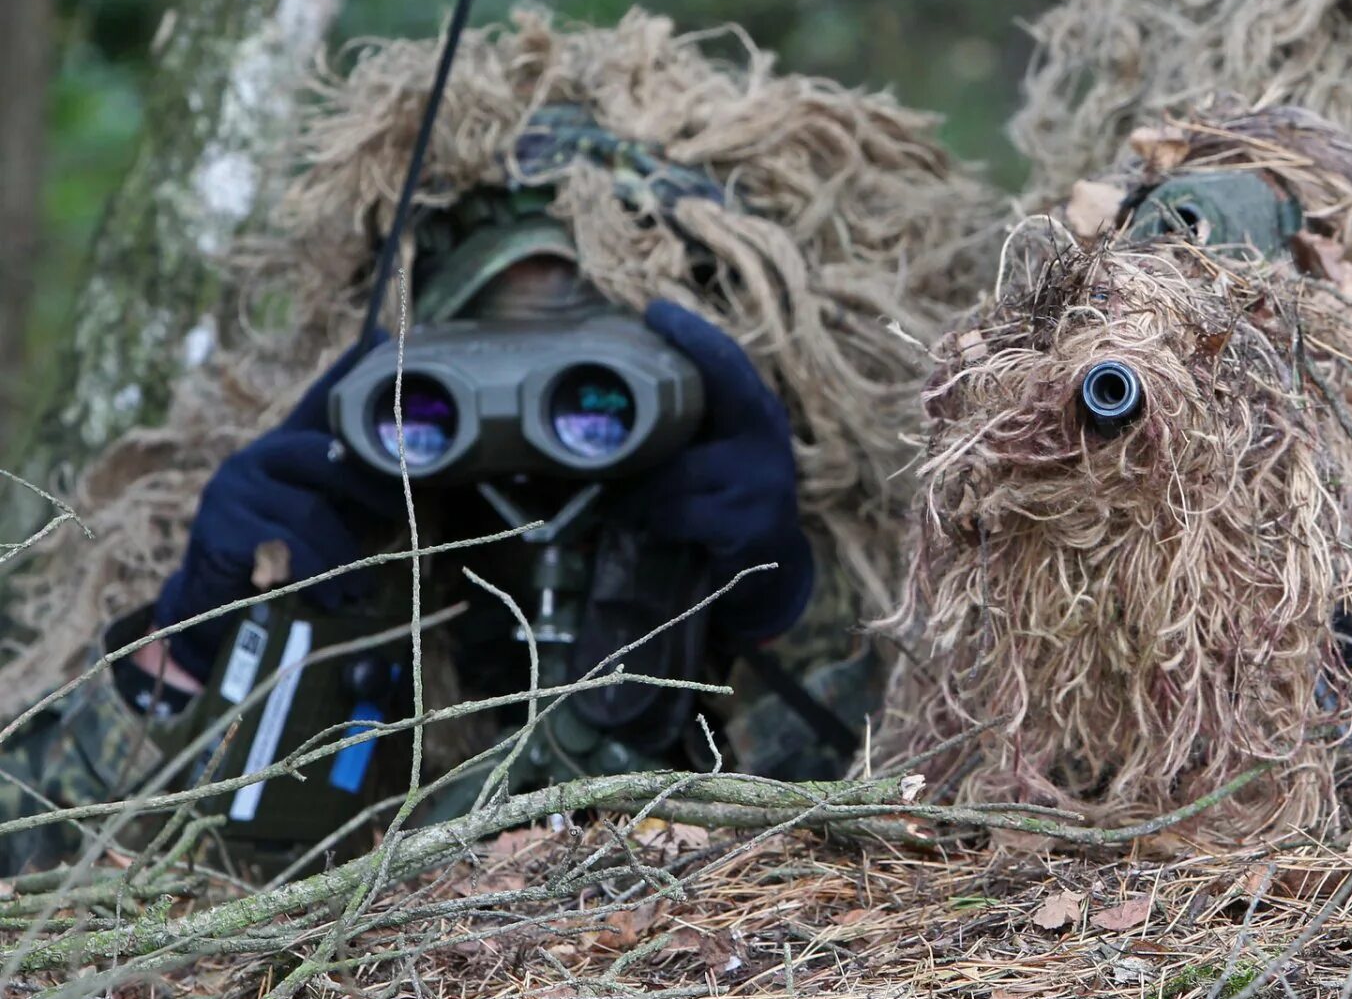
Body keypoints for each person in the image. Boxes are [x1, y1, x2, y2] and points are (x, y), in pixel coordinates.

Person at [0, 119, 878, 877]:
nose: (533, 437)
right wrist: (200, 648)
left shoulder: (831, 556)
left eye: (592, 392)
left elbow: (914, 810)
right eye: (459, 391)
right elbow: (36, 858)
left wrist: (771, 617)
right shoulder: (367, 556)